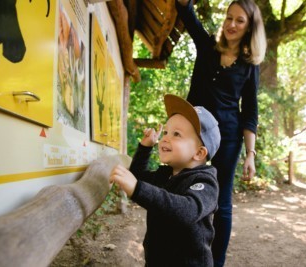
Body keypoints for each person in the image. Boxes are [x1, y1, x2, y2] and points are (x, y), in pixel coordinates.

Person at [175, 0, 267, 266]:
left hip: (228, 137)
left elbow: (250, 111)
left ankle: (216, 263)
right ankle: (186, 255)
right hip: (195, 132)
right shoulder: (208, 47)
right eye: (229, 18)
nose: (231, 24)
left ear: (250, 27)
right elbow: (188, 15)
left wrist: (250, 154)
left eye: (239, 20)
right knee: (186, 192)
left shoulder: (250, 64)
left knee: (222, 204)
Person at [110, 94, 221, 266]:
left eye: (177, 134)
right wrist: (145, 148)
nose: (166, 138)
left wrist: (137, 188)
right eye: (167, 132)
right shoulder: (165, 175)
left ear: (199, 153)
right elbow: (137, 177)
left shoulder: (205, 183)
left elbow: (187, 210)